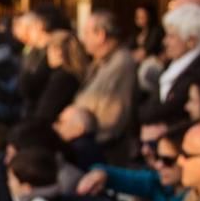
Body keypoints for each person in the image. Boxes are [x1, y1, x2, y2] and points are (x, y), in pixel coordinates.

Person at [74, 10, 138, 163]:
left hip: (105, 151)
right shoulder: (102, 61)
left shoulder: (121, 63)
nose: (84, 39)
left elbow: (113, 115)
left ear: (100, 35)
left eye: (87, 33)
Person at [139, 3, 200, 126]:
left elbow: (169, 109)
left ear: (191, 41)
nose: (165, 42)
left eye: (171, 36)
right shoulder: (175, 63)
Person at [34, 30, 88, 124]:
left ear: (58, 51)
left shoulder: (63, 79)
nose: (47, 55)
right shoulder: (75, 73)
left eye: (49, 50)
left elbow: (45, 113)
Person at [54, 105, 106, 171]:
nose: (55, 126)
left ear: (79, 129)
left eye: (61, 122)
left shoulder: (75, 152)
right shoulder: (91, 148)